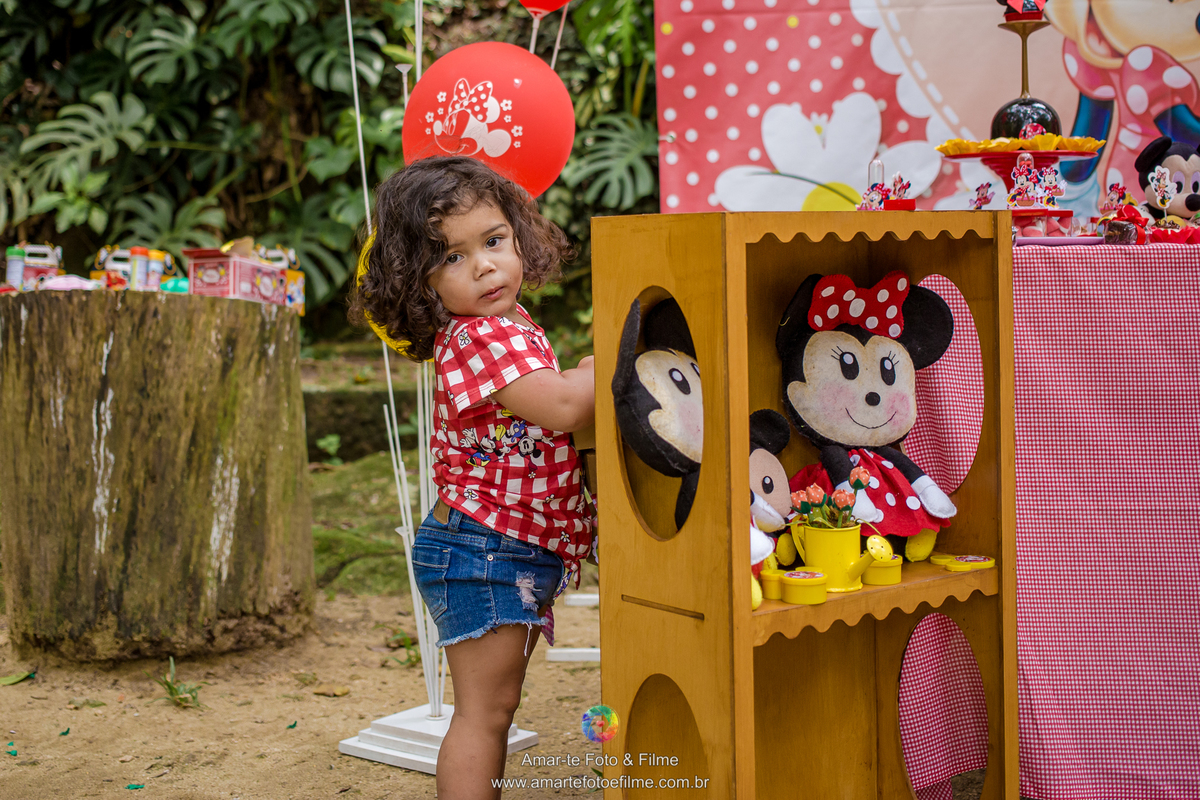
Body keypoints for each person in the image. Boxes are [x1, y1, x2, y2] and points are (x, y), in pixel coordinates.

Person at [349, 155, 595, 798]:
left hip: (500, 544)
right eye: (451, 257)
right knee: (485, 713)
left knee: (495, 708)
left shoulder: (506, 324)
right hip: (482, 549)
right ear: (419, 283)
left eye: (493, 241)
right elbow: (565, 407)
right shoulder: (478, 336)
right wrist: (605, 365)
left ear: (519, 235)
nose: (484, 265)